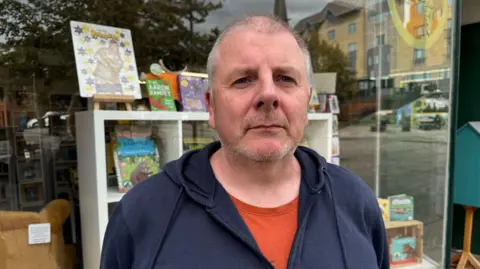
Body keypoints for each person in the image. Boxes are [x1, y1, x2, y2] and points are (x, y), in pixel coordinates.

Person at [100, 14, 389, 269]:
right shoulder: (142, 214)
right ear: (211, 106)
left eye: (285, 78)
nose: (268, 94)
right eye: (243, 80)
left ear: (308, 100)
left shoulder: (355, 202)